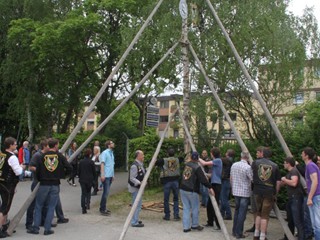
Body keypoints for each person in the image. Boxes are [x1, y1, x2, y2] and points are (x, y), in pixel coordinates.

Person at [27, 138, 72, 235]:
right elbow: (69, 168)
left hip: (43, 184)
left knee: (39, 206)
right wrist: (62, 175)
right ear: (55, 145)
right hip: (55, 184)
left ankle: (36, 228)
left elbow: (37, 170)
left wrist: (40, 178)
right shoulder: (59, 156)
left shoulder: (42, 156)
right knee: (51, 207)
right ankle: (47, 229)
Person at [180, 151, 214, 233]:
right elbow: (203, 180)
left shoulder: (187, 165)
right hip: (192, 190)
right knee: (195, 208)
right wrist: (210, 187)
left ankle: (186, 227)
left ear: (191, 157)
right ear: (198, 159)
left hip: (182, 188)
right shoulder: (197, 167)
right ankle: (194, 225)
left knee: (186, 208)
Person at [252, 147, 281, 240]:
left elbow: (251, 175)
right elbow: (278, 182)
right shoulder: (275, 166)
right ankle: (262, 236)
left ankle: (256, 235)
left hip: (257, 191)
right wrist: (275, 193)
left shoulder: (255, 163)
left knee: (258, 213)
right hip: (269, 192)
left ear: (263, 154)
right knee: (265, 215)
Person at [0, 137, 25, 238]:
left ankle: (4, 225)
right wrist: (22, 167)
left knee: (5, 205)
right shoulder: (12, 157)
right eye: (15, 144)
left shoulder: (2, 154)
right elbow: (18, 172)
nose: (16, 146)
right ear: (10, 145)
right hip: (8, 184)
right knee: (5, 207)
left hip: (1, 181)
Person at [280, 157, 304, 240]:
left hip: (296, 198)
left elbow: (294, 183)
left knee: (297, 220)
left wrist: (285, 179)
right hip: (292, 198)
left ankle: (301, 238)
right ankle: (288, 237)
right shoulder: (290, 172)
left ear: (288, 163)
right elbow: (285, 182)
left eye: (284, 163)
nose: (283, 164)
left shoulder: (294, 171)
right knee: (290, 219)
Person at [199, 147, 222, 230]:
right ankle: (210, 222)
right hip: (213, 183)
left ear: (212, 153)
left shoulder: (218, 160)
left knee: (215, 204)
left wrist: (197, 157)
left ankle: (219, 225)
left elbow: (204, 163)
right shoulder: (216, 162)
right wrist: (205, 174)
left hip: (216, 185)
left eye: (211, 153)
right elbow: (213, 175)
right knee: (209, 205)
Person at [230, 151, 252, 239]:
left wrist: (232, 187)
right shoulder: (248, 167)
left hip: (236, 191)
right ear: (248, 157)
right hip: (244, 192)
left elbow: (231, 178)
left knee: (236, 211)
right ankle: (239, 233)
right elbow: (252, 178)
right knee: (242, 213)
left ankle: (234, 231)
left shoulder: (234, 165)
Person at [156, 147, 181, 221]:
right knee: (176, 199)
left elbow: (156, 162)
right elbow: (183, 158)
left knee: (166, 199)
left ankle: (167, 215)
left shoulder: (163, 160)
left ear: (167, 153)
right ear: (174, 154)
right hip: (175, 181)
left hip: (167, 181)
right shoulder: (178, 159)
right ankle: (176, 215)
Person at [302, 147, 320, 240]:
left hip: (315, 197)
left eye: (302, 153)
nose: (301, 154)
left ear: (306, 155)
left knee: (317, 224)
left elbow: (315, 181)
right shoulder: (310, 165)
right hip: (315, 195)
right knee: (314, 224)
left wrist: (309, 197)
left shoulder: (310, 166)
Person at [245, 146, 263, 233]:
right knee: (255, 209)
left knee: (259, 210)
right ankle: (256, 226)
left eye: (257, 152)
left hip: (258, 190)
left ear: (261, 153)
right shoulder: (255, 163)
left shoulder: (257, 163)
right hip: (254, 188)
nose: (256, 154)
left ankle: (259, 228)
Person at [128, 150, 146, 227]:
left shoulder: (140, 164)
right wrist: (140, 182)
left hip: (138, 188)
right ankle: (134, 222)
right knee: (136, 205)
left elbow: (143, 173)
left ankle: (135, 219)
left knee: (138, 204)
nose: (143, 156)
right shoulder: (134, 166)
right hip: (135, 188)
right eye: (142, 155)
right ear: (138, 156)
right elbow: (132, 178)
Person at [99, 140, 115, 216]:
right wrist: (102, 175)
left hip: (110, 175)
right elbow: (102, 163)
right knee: (105, 193)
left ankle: (103, 207)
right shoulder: (105, 153)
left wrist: (113, 175)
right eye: (112, 143)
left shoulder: (111, 153)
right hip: (106, 176)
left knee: (106, 192)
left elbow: (112, 165)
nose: (113, 144)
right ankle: (102, 209)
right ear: (108, 145)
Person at [78, 148, 96, 214]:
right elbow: (94, 172)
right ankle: (88, 203)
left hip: (82, 179)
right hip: (89, 179)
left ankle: (83, 208)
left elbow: (79, 171)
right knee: (88, 192)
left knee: (83, 193)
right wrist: (94, 179)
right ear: (90, 154)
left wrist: (79, 177)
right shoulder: (91, 162)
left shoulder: (81, 162)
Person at [220, 149, 234, 220]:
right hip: (226, 181)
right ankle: (221, 213)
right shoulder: (229, 160)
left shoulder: (228, 160)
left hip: (226, 181)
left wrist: (216, 154)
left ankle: (228, 214)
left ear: (228, 154)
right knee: (223, 198)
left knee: (224, 199)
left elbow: (220, 159)